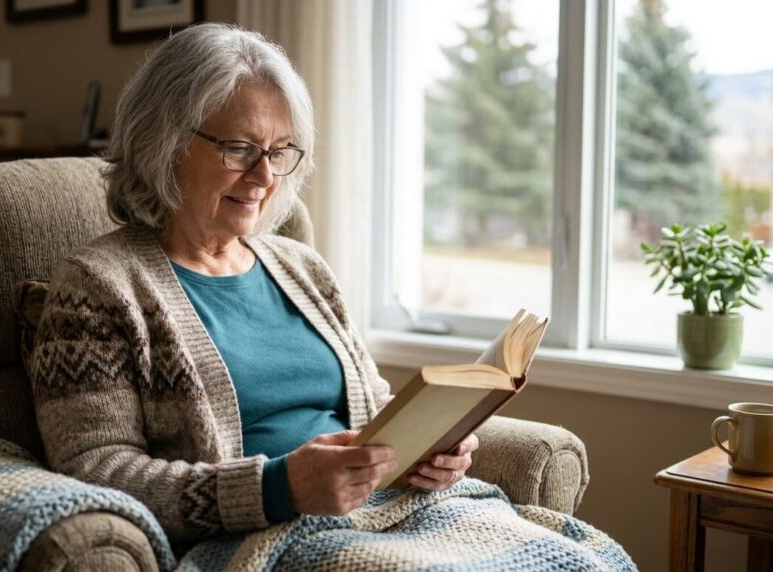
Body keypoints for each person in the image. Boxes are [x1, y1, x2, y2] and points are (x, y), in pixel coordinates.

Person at [29, 22, 478, 544]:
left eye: (280, 151)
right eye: (241, 148)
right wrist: (275, 488)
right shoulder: (98, 287)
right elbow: (94, 471)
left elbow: (375, 408)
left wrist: (430, 448)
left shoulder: (304, 269)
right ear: (164, 142)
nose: (265, 177)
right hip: (271, 537)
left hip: (396, 512)